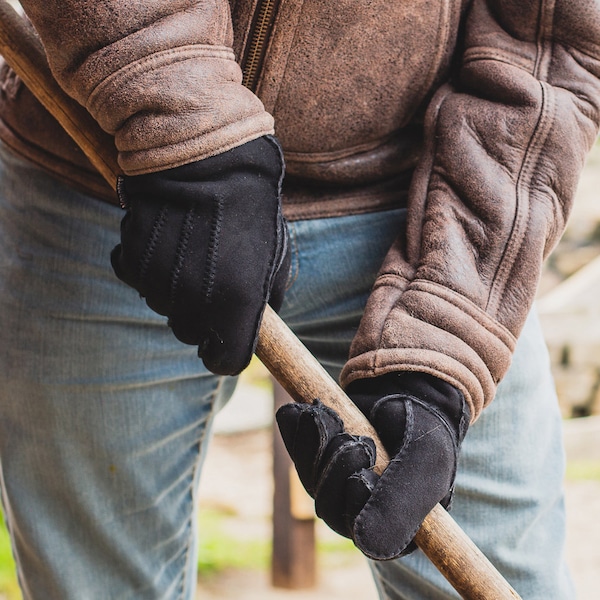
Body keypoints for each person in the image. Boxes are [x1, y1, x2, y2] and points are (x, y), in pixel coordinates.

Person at [0, 0, 598, 598]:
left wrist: (445, 338)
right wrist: (175, 113)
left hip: (422, 210)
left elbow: (554, 44)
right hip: (115, 176)